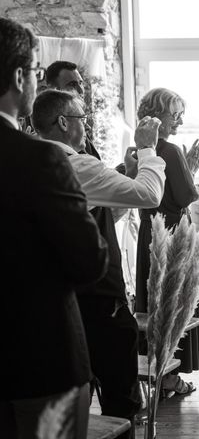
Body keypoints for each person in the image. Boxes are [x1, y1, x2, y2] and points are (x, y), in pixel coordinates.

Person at [32, 89, 166, 438]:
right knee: (120, 396)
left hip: (60, 298)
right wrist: (148, 148)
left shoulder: (33, 162)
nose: (86, 124)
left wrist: (127, 175)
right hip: (99, 296)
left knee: (75, 394)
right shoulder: (75, 163)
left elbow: (102, 214)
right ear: (63, 123)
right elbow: (150, 195)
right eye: (81, 118)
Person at [0, 18, 109, 439]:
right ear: (17, 77)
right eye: (34, 72)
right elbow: (90, 262)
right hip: (39, 362)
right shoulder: (42, 160)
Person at [135, 87, 199, 395]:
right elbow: (186, 196)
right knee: (177, 302)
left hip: (150, 232)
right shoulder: (171, 150)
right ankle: (170, 377)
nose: (178, 121)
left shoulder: (139, 150)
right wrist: (189, 171)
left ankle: (157, 374)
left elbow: (154, 192)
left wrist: (185, 171)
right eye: (174, 114)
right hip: (175, 233)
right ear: (157, 116)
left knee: (154, 303)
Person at [45, 60, 101, 158]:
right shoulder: (49, 129)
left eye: (80, 83)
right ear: (54, 90)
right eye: (72, 85)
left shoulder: (76, 121)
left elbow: (93, 166)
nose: (81, 90)